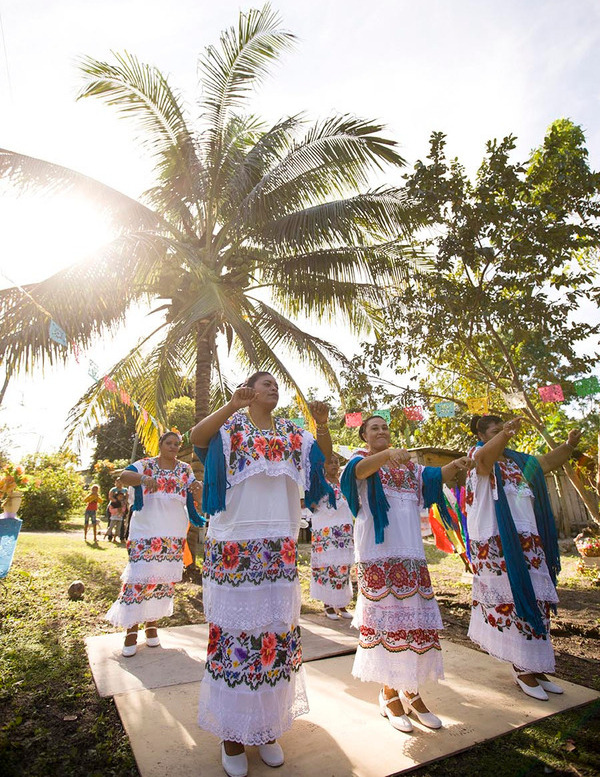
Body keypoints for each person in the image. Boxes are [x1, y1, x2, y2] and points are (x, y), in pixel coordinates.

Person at [190, 372, 333, 777]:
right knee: (236, 636)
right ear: (249, 390)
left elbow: (322, 459)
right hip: (236, 548)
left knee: (273, 635)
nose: (273, 388)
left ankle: (266, 729)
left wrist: (321, 425)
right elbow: (197, 438)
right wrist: (232, 405)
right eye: (264, 383)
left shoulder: (291, 432)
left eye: (275, 384)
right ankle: (232, 734)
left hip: (279, 550)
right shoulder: (231, 427)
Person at [341, 414, 471, 733]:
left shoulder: (409, 467)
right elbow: (356, 474)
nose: (382, 431)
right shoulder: (361, 460)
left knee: (412, 621)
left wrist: (459, 465)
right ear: (364, 436)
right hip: (378, 555)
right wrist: (387, 454)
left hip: (411, 555)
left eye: (385, 426)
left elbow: (435, 476)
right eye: (375, 428)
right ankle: (388, 694)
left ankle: (410, 691)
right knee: (387, 623)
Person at [466, 414, 581, 701]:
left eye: (503, 430)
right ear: (482, 436)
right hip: (498, 546)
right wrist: (504, 435)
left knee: (537, 602)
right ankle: (521, 668)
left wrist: (568, 445)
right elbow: (484, 461)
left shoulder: (517, 462)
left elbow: (544, 464)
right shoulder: (478, 456)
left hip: (528, 544)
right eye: (495, 431)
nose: (503, 435)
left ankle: (536, 666)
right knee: (513, 603)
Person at [105, 431, 203, 656]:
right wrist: (142, 479)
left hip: (173, 532)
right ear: (160, 444)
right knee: (138, 579)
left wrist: (197, 489)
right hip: (145, 532)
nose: (174, 447)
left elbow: (196, 495)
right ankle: (131, 631)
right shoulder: (145, 464)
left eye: (177, 444)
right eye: (169, 443)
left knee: (162, 581)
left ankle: (151, 626)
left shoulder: (184, 469)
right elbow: (124, 476)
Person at [310, 454, 355, 620]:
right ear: (324, 465)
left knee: (343, 566)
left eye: (336, 462)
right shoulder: (319, 482)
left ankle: (341, 604)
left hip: (343, 530)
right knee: (327, 566)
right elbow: (311, 502)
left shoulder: (344, 483)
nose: (334, 465)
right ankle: (328, 605)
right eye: (331, 462)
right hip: (326, 531)